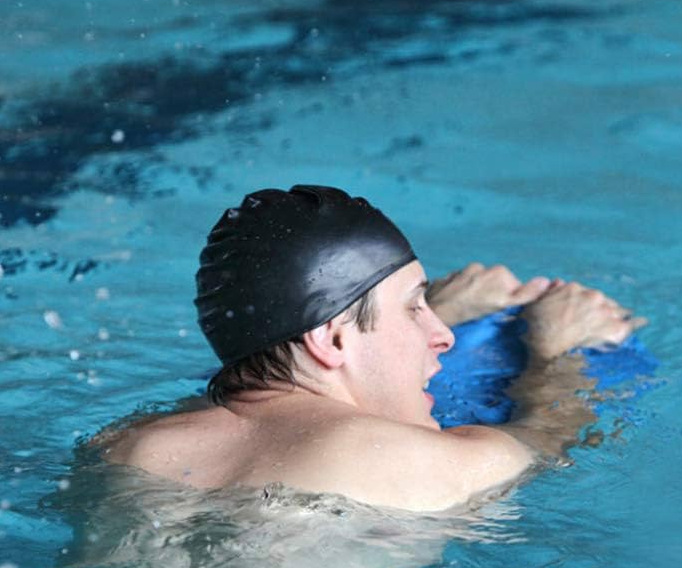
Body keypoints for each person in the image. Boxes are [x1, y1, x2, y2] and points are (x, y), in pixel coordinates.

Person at [100, 185, 645, 513]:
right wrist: (557, 352)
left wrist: (407, 310)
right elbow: (551, 440)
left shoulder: (127, 445)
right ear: (332, 337)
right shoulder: (393, 457)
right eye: (416, 309)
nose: (444, 335)